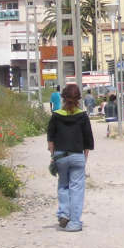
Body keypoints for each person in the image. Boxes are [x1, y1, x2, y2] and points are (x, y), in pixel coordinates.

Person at [47, 84, 94, 232]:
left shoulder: (56, 115)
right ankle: (74, 223)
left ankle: (64, 213)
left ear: (63, 98)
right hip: (77, 155)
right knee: (77, 189)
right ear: (79, 98)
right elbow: (88, 141)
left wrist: (53, 156)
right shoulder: (83, 115)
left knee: (63, 185)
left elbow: (50, 139)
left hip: (60, 155)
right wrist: (83, 158)